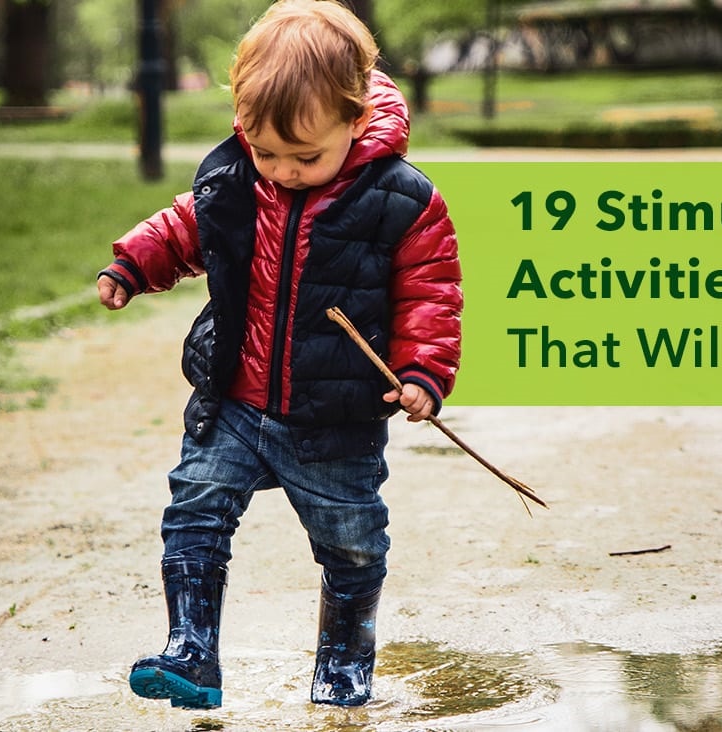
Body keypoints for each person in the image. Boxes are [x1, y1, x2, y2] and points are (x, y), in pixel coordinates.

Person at [96, 0, 461, 709]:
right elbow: (185, 226)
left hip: (335, 417)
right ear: (243, 124)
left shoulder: (401, 201)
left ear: (355, 121)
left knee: (351, 543)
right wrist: (133, 265)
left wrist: (423, 372)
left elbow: (432, 291)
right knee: (195, 509)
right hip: (234, 398)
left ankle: (344, 663)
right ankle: (191, 652)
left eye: (306, 157)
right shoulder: (237, 178)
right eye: (266, 152)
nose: (285, 172)